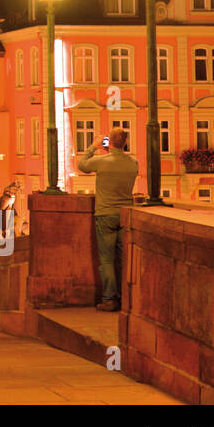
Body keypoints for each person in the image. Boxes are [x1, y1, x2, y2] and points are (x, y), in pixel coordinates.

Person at [78, 128, 139, 311]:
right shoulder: (133, 163)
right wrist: (112, 150)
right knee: (123, 259)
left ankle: (109, 298)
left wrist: (94, 146)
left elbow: (82, 165)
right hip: (125, 215)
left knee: (107, 260)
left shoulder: (102, 161)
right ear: (125, 143)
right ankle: (125, 299)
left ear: (109, 142)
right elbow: (117, 161)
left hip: (105, 214)